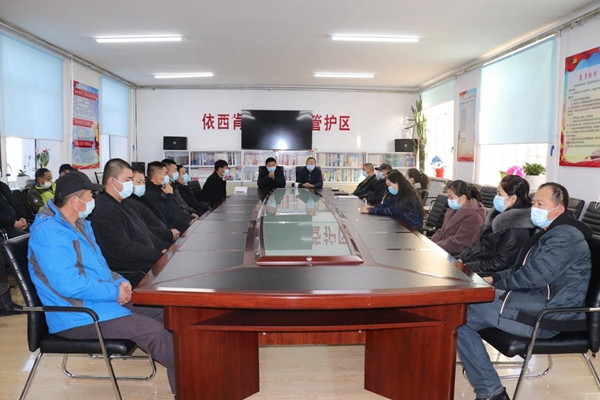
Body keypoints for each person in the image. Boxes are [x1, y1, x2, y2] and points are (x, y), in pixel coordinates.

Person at [27, 170, 176, 394]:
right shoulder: (49, 233)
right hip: (77, 315)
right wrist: (114, 292)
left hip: (100, 303)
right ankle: (196, 377)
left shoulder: (80, 225)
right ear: (75, 201)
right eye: (90, 195)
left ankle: (185, 385)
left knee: (171, 314)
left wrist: (121, 282)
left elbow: (100, 267)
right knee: (154, 332)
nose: (93, 200)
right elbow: (69, 285)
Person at [457, 183, 592, 400]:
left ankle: (491, 393)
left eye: (541, 204)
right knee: (460, 320)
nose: (534, 208)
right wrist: (493, 279)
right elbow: (522, 270)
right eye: (533, 203)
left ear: (559, 209)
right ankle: (491, 392)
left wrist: (494, 285)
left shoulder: (565, 237)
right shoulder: (550, 232)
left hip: (551, 313)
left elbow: (533, 277)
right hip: (536, 300)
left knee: (462, 312)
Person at [88, 159, 167, 287]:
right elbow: (123, 250)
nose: (131, 184)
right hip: (132, 271)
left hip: (147, 260)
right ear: (112, 181)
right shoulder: (105, 210)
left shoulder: (124, 203)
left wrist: (163, 247)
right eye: (128, 180)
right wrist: (156, 254)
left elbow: (144, 231)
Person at [458, 175, 535, 275]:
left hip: (488, 275)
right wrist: (461, 258)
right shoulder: (498, 216)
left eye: (499, 194)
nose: (496, 197)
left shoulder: (517, 230)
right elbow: (479, 246)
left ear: (512, 199)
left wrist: (466, 267)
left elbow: (500, 263)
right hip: (475, 264)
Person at [125, 168, 180, 245]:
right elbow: (144, 229)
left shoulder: (144, 199)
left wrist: (171, 229)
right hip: (158, 241)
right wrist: (168, 234)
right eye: (139, 182)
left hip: (166, 235)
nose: (142, 185)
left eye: (144, 182)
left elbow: (160, 219)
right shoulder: (129, 203)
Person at [431, 180, 485, 255]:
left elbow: (460, 242)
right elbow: (442, 230)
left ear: (462, 198)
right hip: (443, 248)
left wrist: (436, 246)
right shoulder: (453, 209)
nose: (448, 200)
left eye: (451, 197)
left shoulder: (474, 216)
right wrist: (431, 242)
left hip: (458, 254)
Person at [360, 170, 424, 229]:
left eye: (389, 185)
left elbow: (393, 210)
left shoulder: (406, 195)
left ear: (397, 183)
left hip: (411, 228)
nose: (389, 188)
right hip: (401, 225)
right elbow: (387, 205)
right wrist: (372, 207)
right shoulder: (399, 194)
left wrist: (370, 211)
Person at [142, 161, 195, 233]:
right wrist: (170, 194)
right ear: (157, 177)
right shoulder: (151, 194)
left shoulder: (162, 188)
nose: (168, 177)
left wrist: (189, 219)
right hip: (172, 230)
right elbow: (171, 216)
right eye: (166, 174)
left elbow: (178, 210)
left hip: (181, 225)